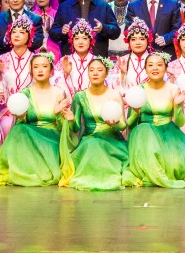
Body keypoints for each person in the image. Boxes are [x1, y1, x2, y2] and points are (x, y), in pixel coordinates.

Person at [0, 52, 68, 187]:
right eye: (36, 67)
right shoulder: (25, 93)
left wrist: (58, 114)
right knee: (19, 129)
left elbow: (63, 127)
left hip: (51, 136)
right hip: (31, 135)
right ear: (31, 71)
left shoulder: (59, 92)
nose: (40, 70)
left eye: (44, 66)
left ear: (51, 71)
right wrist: (20, 116)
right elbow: (20, 122)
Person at [57, 54, 135, 190]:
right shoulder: (80, 96)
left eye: (99, 70)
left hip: (112, 140)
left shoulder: (114, 95)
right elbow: (76, 128)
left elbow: (123, 125)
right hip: (89, 140)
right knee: (94, 145)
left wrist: (115, 124)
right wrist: (71, 119)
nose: (95, 73)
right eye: (91, 70)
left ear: (106, 74)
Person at [125, 52, 185, 188]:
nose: (155, 68)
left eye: (159, 65)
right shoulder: (138, 90)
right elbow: (129, 123)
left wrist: (177, 105)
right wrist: (136, 112)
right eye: (150, 65)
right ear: (145, 69)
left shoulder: (173, 89)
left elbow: (180, 122)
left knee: (174, 165)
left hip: (168, 133)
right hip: (144, 136)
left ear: (166, 68)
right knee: (144, 129)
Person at [50, 0, 122, 57]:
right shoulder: (64, 7)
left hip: (97, 60)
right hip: (71, 59)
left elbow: (116, 32)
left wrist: (103, 28)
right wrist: (62, 30)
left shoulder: (103, 6)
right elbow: (53, 33)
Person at [117, 18, 158, 91]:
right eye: (133, 39)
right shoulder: (122, 61)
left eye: (142, 39)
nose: (138, 43)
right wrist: (122, 74)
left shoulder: (156, 60)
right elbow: (113, 87)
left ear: (148, 40)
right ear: (128, 42)